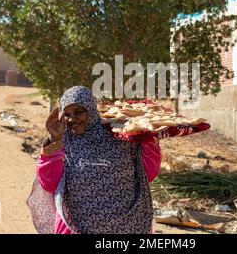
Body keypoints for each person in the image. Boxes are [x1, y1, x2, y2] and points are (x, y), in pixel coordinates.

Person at [26, 86, 161, 234]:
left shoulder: (120, 136)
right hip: (76, 227)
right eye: (67, 114)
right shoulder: (63, 142)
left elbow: (148, 172)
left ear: (91, 109)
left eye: (78, 112)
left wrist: (149, 139)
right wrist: (54, 140)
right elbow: (50, 184)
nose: (72, 119)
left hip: (126, 225)